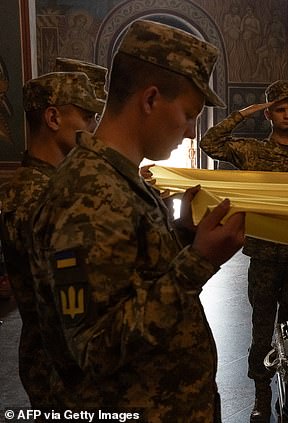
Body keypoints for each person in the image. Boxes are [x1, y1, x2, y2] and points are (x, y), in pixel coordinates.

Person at [27, 20, 245, 422]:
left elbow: (132, 277)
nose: (190, 130)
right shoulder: (87, 195)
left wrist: (180, 236)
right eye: (188, 113)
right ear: (150, 100)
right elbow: (95, 348)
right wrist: (198, 263)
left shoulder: (116, 178)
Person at [199, 79, 288, 422]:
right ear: (269, 114)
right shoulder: (253, 152)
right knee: (262, 330)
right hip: (265, 256)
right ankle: (261, 395)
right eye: (279, 109)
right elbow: (210, 142)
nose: (286, 115)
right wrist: (244, 113)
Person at [0, 70, 105, 407]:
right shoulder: (35, 195)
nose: (91, 127)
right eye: (86, 116)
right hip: (61, 373)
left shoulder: (56, 185)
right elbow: (72, 298)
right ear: (53, 116)